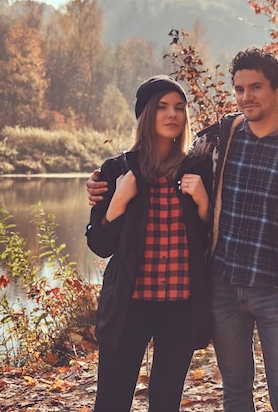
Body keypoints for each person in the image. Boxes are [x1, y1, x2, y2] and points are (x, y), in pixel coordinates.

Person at [88, 48, 278, 411]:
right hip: (204, 293)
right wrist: (103, 191)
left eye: (256, 87)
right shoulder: (216, 142)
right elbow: (103, 235)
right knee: (233, 391)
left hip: (263, 294)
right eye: (239, 89)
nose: (246, 97)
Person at [85, 75, 213, 411]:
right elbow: (99, 244)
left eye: (180, 108)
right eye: (162, 107)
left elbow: (212, 240)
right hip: (130, 304)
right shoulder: (116, 170)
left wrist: (202, 203)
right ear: (145, 115)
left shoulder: (198, 169)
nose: (173, 114)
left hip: (180, 306)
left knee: (166, 401)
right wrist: (118, 202)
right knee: (112, 399)